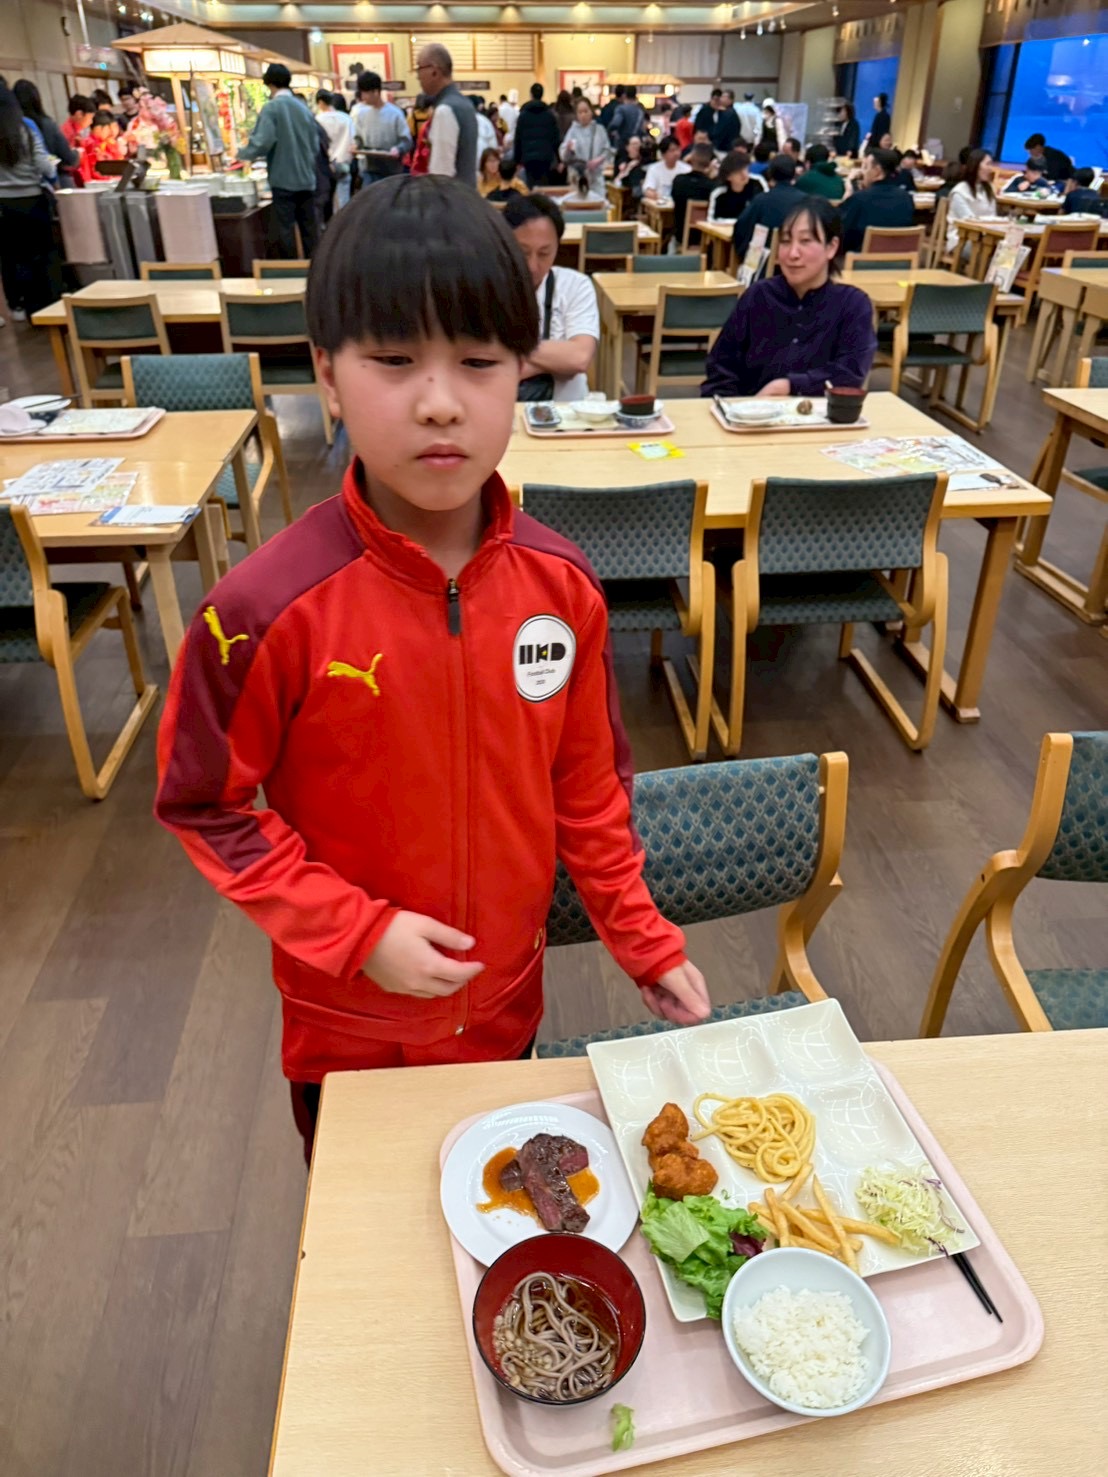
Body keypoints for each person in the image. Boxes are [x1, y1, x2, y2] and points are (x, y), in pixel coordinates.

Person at [154, 176, 709, 1163]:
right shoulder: (260, 610)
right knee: (372, 1233)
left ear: (521, 372)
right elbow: (205, 805)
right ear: (328, 377)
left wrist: (643, 940)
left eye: (479, 362)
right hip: (347, 1029)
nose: (442, 402)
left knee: (501, 1208)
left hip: (505, 1008)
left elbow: (586, 791)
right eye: (394, 360)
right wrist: (357, 932)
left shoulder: (561, 587)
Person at [703, 198, 875, 399]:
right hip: (750, 412)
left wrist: (789, 386)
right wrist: (733, 407)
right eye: (785, 241)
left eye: (805, 241)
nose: (793, 253)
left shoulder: (852, 304)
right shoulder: (758, 295)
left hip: (821, 415)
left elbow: (849, 374)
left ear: (831, 247)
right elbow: (721, 368)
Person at [503, 191, 599, 402]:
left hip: (567, 412)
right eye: (523, 252)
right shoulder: (486, 287)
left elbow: (579, 357)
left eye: (544, 253)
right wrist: (555, 360)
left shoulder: (576, 286)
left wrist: (509, 350)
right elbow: (476, 366)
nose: (533, 266)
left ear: (557, 247)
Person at [234, 64, 321, 258]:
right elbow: (315, 145)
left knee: (285, 230)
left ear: (269, 84)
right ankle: (315, 266)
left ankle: (288, 270)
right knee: (309, 229)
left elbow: (262, 141)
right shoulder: (303, 108)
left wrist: (242, 155)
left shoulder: (272, 108)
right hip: (307, 178)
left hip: (283, 179)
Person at [0, 81, 63, 320]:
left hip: (4, 205)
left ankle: (22, 306)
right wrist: (52, 175)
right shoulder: (26, 127)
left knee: (13, 256)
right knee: (42, 253)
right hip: (32, 200)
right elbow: (43, 164)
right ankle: (48, 303)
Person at [414, 44, 476, 186]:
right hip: (468, 193)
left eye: (419, 68)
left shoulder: (445, 110)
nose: (418, 76)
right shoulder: (465, 104)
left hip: (451, 196)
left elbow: (441, 173)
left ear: (434, 71)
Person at [838, 147, 915, 254]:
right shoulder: (906, 198)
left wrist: (848, 192)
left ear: (877, 171)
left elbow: (839, 230)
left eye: (865, 167)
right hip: (900, 261)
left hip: (861, 261)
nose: (862, 172)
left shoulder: (859, 198)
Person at [732, 153, 807, 258]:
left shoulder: (761, 200)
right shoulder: (806, 201)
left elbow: (742, 227)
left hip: (764, 260)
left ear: (770, 174)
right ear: (794, 173)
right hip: (798, 256)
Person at [352, 71, 411, 181]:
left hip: (392, 171)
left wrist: (398, 149)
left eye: (365, 93)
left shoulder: (395, 113)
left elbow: (407, 141)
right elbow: (358, 138)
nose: (362, 97)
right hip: (369, 170)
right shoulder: (361, 114)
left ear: (376, 92)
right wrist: (355, 146)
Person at [13, 79, 78, 176]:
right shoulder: (47, 124)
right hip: (50, 176)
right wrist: (77, 153)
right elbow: (68, 158)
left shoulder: (12, 127)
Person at [559, 96, 611, 197]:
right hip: (577, 178)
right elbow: (565, 156)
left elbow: (607, 150)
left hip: (596, 178)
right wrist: (568, 149)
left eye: (586, 111)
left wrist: (599, 160)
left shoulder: (599, 130)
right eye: (580, 112)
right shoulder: (572, 131)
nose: (583, 115)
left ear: (591, 111)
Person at [945, 148, 996, 251]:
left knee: (1013, 251)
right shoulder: (960, 191)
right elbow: (969, 222)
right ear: (975, 165)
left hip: (985, 237)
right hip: (961, 240)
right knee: (993, 252)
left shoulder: (988, 189)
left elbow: (993, 216)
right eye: (987, 164)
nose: (991, 169)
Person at [514, 83, 561, 187]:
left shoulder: (523, 115)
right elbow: (555, 138)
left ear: (531, 94)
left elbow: (518, 139)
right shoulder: (549, 115)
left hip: (528, 157)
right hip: (545, 156)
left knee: (531, 185)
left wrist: (517, 160)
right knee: (544, 185)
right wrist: (559, 159)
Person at [671, 142, 717, 244]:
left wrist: (685, 162)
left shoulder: (678, 181)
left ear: (691, 158)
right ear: (710, 163)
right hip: (706, 238)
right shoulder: (713, 186)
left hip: (681, 236)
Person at [316, 89, 355, 209]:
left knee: (326, 201)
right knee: (343, 200)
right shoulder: (346, 118)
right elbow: (353, 142)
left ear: (320, 103)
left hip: (325, 165)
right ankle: (344, 219)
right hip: (343, 163)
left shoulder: (318, 120)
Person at [708, 150, 763, 222]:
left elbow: (767, 209)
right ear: (728, 177)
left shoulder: (758, 183)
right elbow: (711, 220)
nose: (744, 175)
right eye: (738, 172)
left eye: (746, 169)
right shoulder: (719, 193)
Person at [78, 108, 125, 182]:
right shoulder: (90, 144)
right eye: (108, 128)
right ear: (99, 128)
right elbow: (96, 170)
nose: (110, 132)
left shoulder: (106, 143)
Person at [643, 134, 690, 203]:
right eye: (672, 150)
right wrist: (659, 198)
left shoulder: (687, 169)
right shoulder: (654, 169)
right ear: (663, 154)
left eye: (677, 149)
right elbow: (648, 190)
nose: (676, 153)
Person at [613, 134, 648, 201]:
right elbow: (616, 181)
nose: (637, 146)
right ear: (627, 147)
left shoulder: (644, 160)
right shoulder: (622, 161)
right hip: (626, 193)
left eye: (639, 144)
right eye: (634, 144)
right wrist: (628, 168)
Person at [610, 85, 646, 150]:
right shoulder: (640, 110)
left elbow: (615, 123)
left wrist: (611, 131)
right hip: (637, 143)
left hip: (623, 144)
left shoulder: (621, 109)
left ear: (624, 95)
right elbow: (643, 128)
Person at [471, 96, 498, 173]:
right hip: (484, 159)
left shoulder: (461, 119)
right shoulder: (484, 120)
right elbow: (493, 143)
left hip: (475, 161)